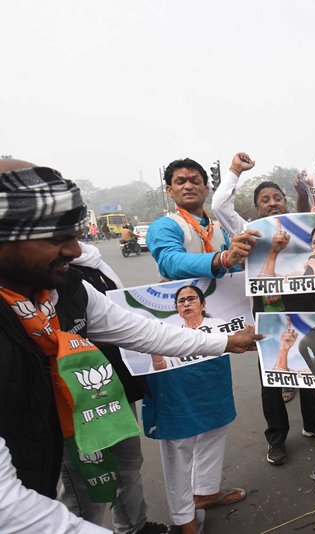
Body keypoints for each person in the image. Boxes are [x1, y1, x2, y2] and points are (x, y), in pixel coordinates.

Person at [0, 161, 260, 525]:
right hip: (40, 445)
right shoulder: (167, 227)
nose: (76, 251)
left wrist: (226, 341)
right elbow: (12, 509)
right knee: (89, 496)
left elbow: (142, 331)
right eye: (57, 238)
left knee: (129, 467)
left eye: (75, 236)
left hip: (128, 384)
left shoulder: (69, 289)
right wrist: (219, 259)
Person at [146, 157, 260, 533]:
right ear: (170, 190)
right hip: (176, 338)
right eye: (180, 181)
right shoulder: (167, 226)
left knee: (215, 420)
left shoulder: (216, 226)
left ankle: (205, 492)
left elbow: (236, 271)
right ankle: (184, 518)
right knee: (180, 434)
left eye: (196, 180)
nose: (189, 185)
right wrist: (223, 257)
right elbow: (171, 261)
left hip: (214, 335)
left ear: (206, 188)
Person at [211, 152, 315, 466]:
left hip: (307, 308)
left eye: (276, 197)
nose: (272, 203)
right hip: (269, 314)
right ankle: (277, 438)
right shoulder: (249, 229)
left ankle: (313, 424)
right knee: (272, 379)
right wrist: (234, 171)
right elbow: (218, 206)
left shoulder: (303, 231)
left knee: (309, 369)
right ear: (256, 208)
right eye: (265, 199)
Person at [59, 242, 168, 534]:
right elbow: (112, 328)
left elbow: (121, 319)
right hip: (71, 392)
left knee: (128, 461)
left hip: (113, 375)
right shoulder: (39, 279)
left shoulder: (90, 263)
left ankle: (134, 525)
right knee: (86, 485)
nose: (71, 243)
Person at [146, 285, 243, 533]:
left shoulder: (220, 325)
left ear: (203, 304)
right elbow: (160, 370)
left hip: (215, 399)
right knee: (179, 457)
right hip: (180, 405)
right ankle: (184, 518)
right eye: (181, 302)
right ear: (177, 310)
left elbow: (240, 342)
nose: (186, 304)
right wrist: (156, 354)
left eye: (191, 299)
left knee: (212, 444)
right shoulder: (168, 335)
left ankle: (206, 493)